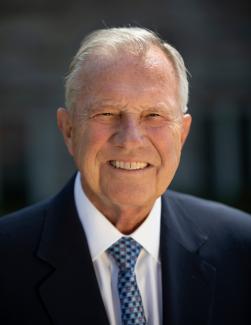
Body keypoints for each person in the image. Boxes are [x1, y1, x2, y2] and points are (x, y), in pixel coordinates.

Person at [0, 27, 250, 325]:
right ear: (68, 130)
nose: (131, 139)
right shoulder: (6, 259)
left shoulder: (242, 248)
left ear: (182, 133)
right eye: (106, 114)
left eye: (154, 116)